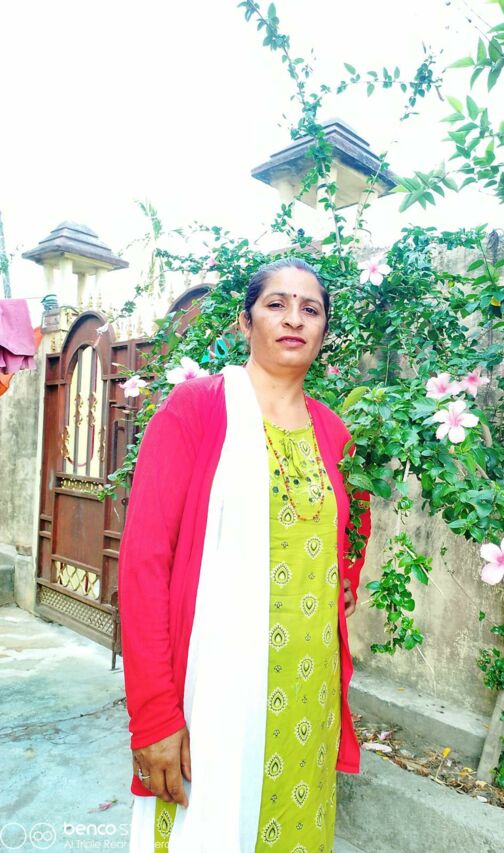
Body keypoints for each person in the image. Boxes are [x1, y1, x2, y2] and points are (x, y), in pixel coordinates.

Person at [119, 257, 372, 852]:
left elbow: (352, 527)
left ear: (324, 329)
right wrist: (154, 716)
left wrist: (345, 579)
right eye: (276, 304)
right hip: (214, 695)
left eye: (310, 309)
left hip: (307, 696)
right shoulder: (196, 410)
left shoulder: (336, 435)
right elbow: (144, 565)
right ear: (244, 322)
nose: (294, 319)